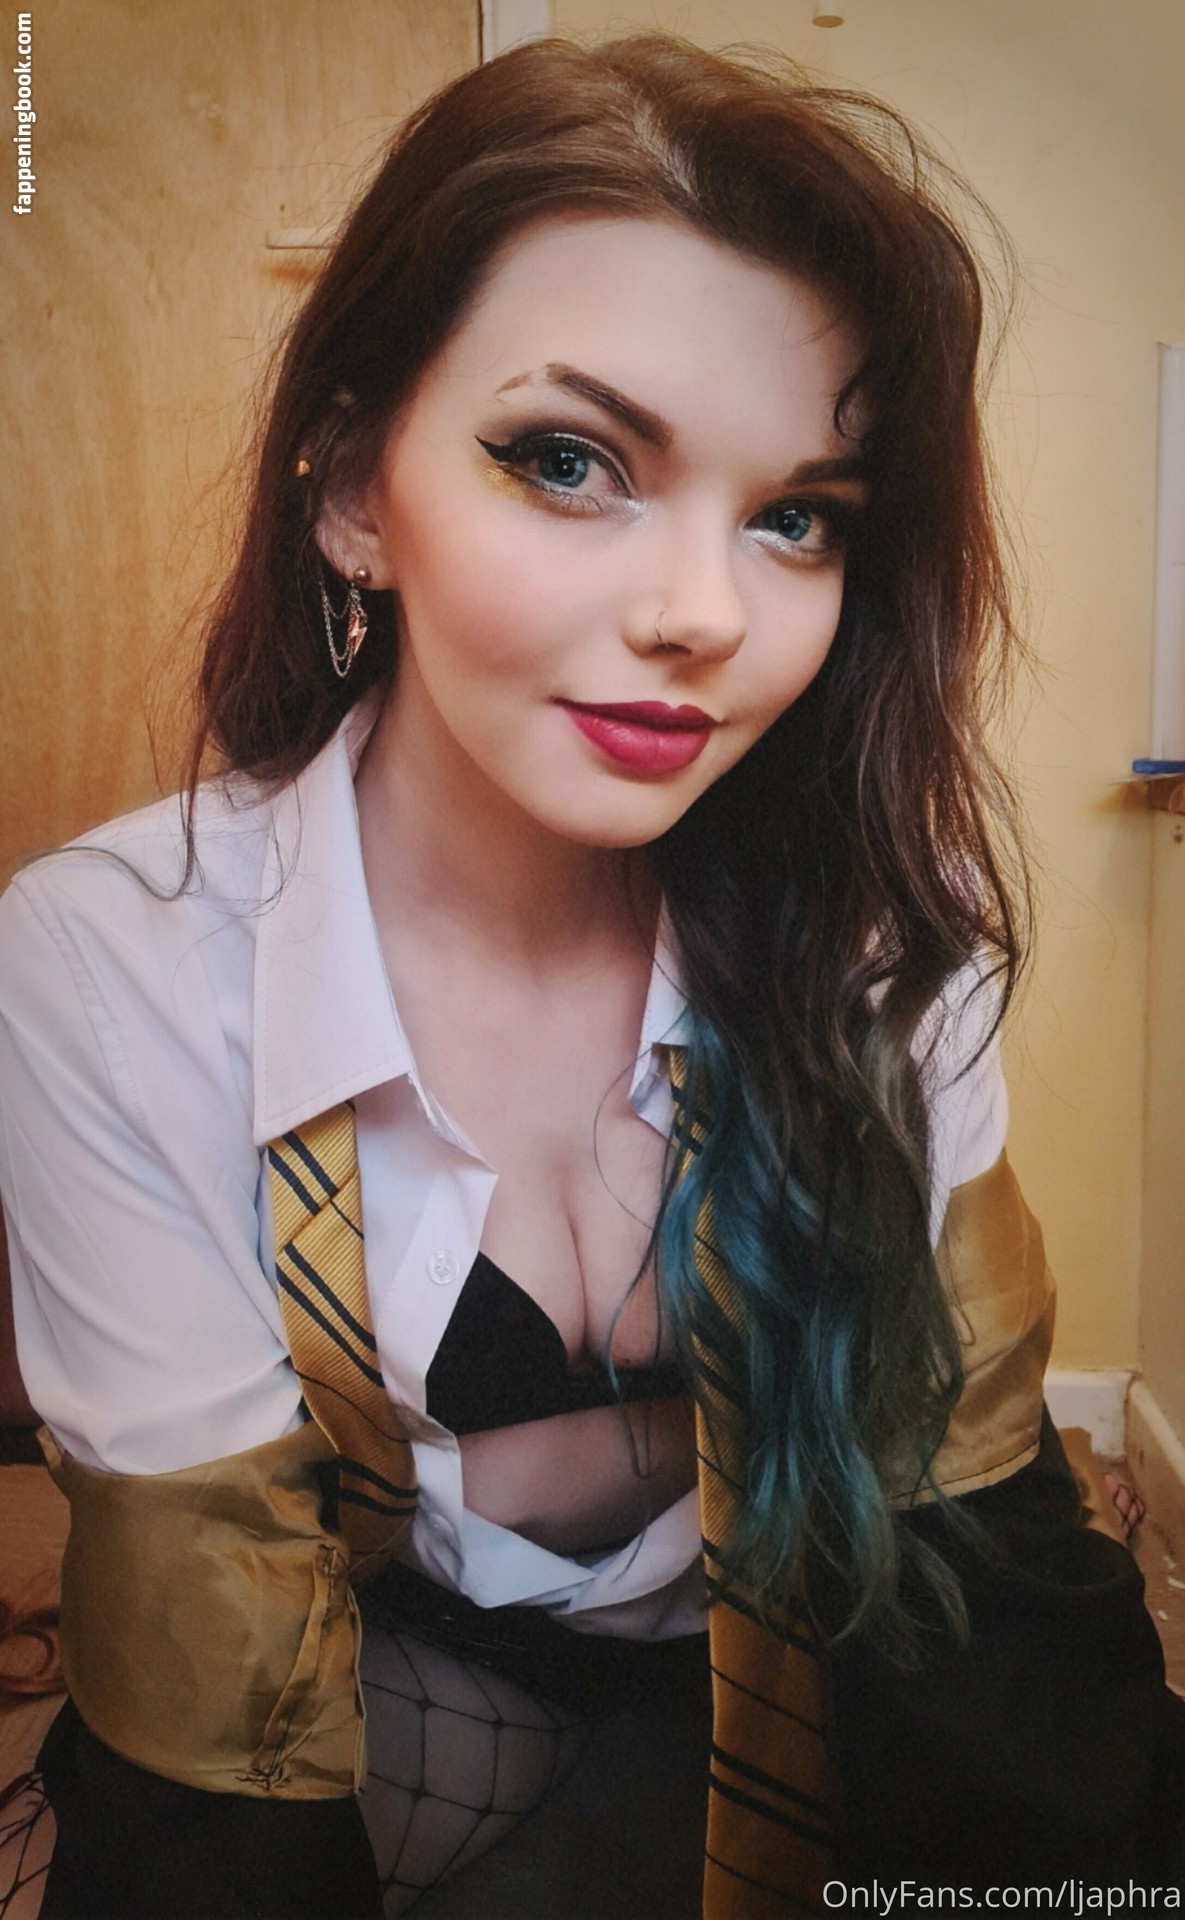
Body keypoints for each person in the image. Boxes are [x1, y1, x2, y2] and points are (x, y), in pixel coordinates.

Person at [0, 33, 1182, 1920]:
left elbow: (976, 1520)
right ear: (352, 489)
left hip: (799, 1629)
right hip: (411, 1666)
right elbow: (211, 1650)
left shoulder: (879, 921)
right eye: (568, 463)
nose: (705, 613)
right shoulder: (114, 956)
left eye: (796, 515)